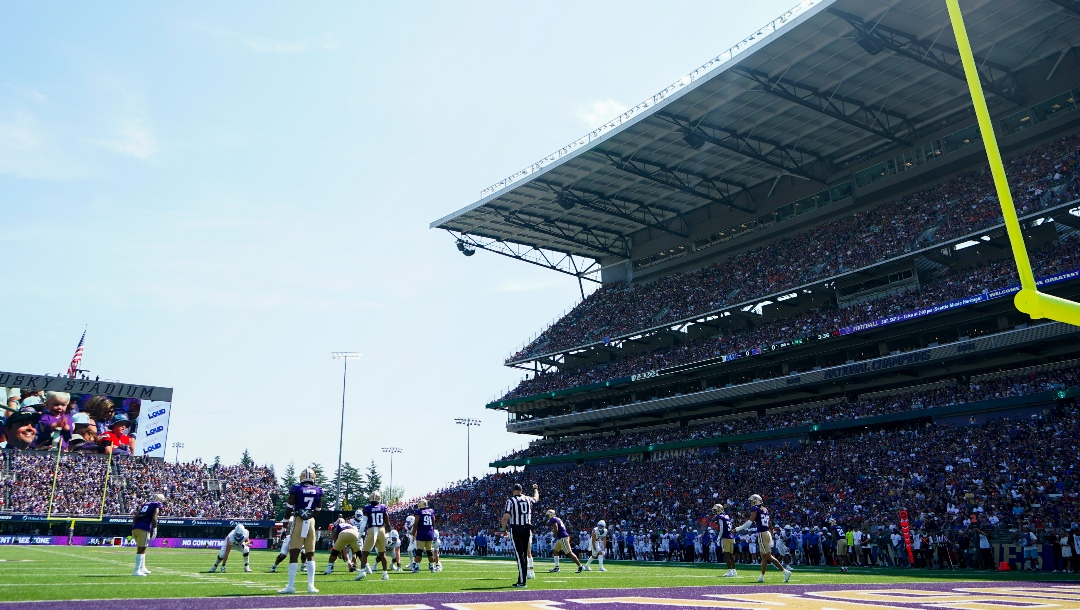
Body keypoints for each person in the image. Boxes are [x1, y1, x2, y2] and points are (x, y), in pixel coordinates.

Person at [278, 467, 322, 594]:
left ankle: (291, 586)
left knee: (294, 553)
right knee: (310, 554)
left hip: (299, 521)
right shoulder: (318, 490)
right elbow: (318, 511)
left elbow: (289, 509)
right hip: (311, 522)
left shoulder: (296, 489)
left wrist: (284, 526)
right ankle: (311, 586)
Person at [734, 494, 791, 583]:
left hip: (762, 534)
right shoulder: (765, 509)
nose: (750, 503)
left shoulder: (755, 509)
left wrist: (738, 528)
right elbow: (770, 524)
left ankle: (785, 571)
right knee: (763, 556)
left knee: (768, 556)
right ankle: (761, 576)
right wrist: (771, 535)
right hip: (767, 533)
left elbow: (749, 523)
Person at [500, 482, 538, 588]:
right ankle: (522, 579)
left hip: (516, 529)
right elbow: (536, 498)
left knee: (519, 555)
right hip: (527, 529)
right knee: (524, 554)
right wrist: (535, 489)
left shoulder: (511, 501)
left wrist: (503, 530)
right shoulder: (527, 499)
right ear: (521, 491)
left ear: (513, 491)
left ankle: (522, 581)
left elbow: (505, 517)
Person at [355, 491, 391, 581]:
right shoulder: (383, 507)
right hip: (382, 530)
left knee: (364, 553)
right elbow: (388, 522)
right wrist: (389, 534)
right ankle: (385, 574)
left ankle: (362, 571)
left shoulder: (367, 508)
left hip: (372, 530)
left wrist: (359, 536)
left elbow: (363, 523)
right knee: (382, 554)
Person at [131, 494, 165, 577]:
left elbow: (135, 517)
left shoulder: (146, 504)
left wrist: (134, 527)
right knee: (141, 550)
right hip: (144, 528)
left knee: (143, 548)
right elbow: (154, 517)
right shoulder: (157, 505)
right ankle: (136, 570)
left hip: (135, 528)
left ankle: (142, 568)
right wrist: (155, 529)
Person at [545, 508, 584, 573]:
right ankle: (557, 567)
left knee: (569, 552)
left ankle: (580, 566)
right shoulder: (557, 518)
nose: (547, 516)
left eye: (548, 515)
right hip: (561, 537)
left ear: (551, 514)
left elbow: (556, 529)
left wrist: (553, 537)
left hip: (563, 537)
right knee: (555, 550)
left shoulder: (553, 519)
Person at [711, 503, 737, 577]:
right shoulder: (727, 516)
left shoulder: (720, 517)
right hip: (731, 537)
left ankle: (729, 571)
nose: (715, 512)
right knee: (731, 554)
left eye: (716, 510)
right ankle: (734, 571)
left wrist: (719, 538)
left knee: (727, 554)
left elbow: (721, 529)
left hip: (725, 537)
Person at [411, 499, 437, 573]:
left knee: (419, 551)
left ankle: (416, 568)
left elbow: (416, 524)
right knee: (429, 551)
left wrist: (413, 534)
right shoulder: (431, 511)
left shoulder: (418, 512)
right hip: (430, 533)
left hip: (422, 533)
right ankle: (432, 567)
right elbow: (433, 522)